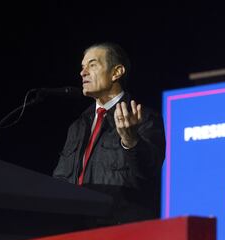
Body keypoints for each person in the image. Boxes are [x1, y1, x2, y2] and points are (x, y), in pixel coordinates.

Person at [53, 42, 165, 225]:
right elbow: (60, 180)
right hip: (73, 232)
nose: (83, 73)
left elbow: (149, 171)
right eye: (82, 67)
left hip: (119, 231)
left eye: (92, 65)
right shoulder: (78, 126)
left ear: (116, 72)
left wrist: (131, 141)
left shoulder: (144, 117)